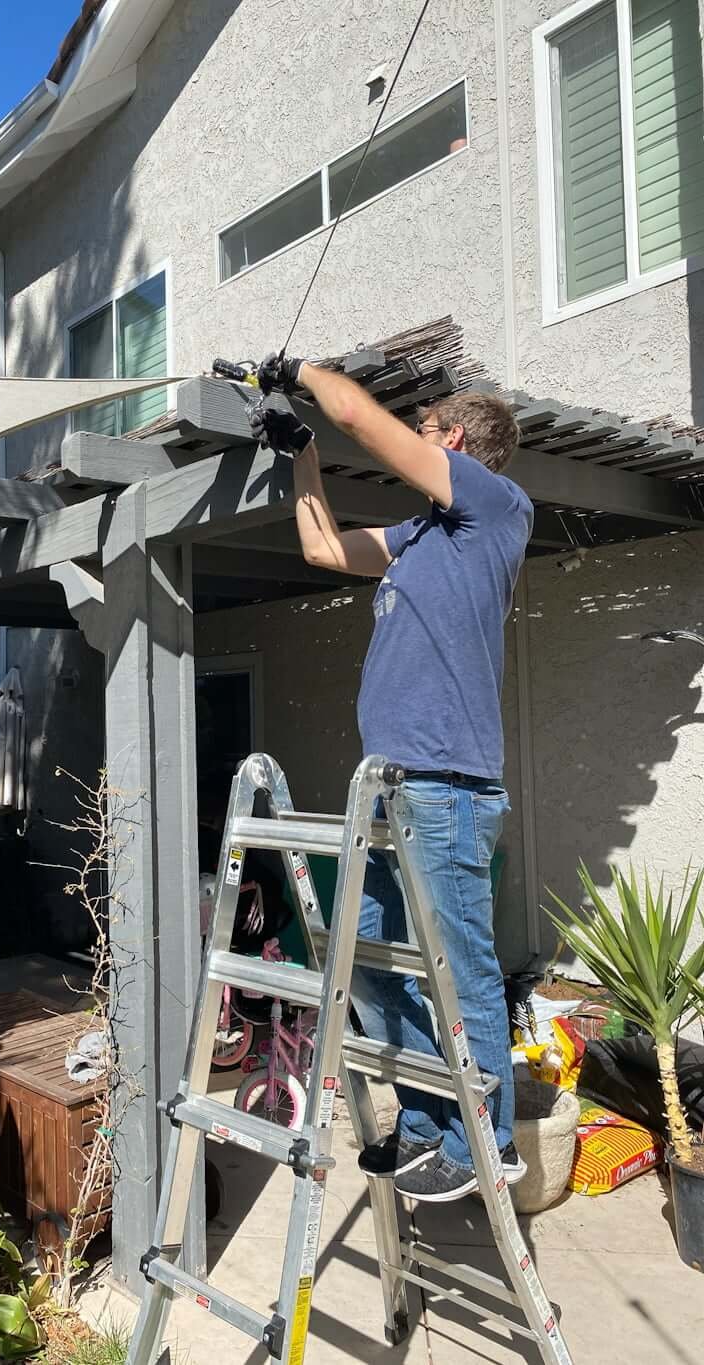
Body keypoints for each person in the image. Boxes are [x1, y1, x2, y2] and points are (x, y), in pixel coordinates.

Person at [251, 352, 530, 1203]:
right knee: (366, 958)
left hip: (448, 786)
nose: (413, 438)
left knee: (460, 966)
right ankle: (423, 1121)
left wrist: (303, 371)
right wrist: (297, 449)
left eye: (425, 431)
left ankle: (489, 1138)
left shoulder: (494, 505)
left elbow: (365, 422)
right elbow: (324, 546)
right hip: (391, 787)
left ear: (452, 440)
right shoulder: (419, 539)